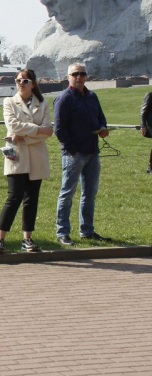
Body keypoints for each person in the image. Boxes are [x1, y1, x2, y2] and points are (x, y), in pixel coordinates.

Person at [0, 70, 54, 254]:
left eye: (25, 80)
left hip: (36, 157)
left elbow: (49, 132)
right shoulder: (9, 102)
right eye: (18, 80)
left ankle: (27, 239)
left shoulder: (43, 103)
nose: (21, 83)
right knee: (14, 197)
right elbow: (13, 126)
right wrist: (37, 130)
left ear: (33, 83)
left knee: (31, 199)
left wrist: (24, 137)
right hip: (16, 156)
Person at [54, 62, 111, 245]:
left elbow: (100, 117)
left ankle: (87, 230)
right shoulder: (64, 98)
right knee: (67, 193)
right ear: (68, 76)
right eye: (75, 74)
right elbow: (60, 129)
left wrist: (102, 128)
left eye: (83, 74)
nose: (79, 77)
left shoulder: (92, 96)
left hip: (93, 152)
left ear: (87, 76)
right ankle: (62, 232)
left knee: (90, 193)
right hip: (74, 154)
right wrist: (73, 150)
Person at [141, 91, 152, 173]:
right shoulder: (150, 95)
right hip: (150, 123)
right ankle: (150, 166)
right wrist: (143, 125)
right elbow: (143, 111)